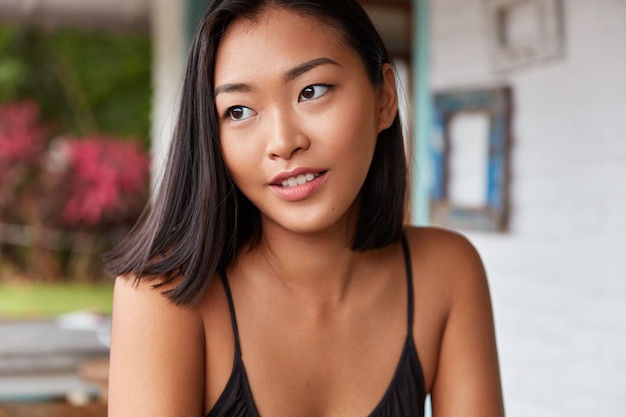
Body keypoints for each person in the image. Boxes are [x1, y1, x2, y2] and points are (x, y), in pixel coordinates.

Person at [104, 0, 505, 416]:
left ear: (384, 97)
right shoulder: (165, 298)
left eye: (311, 91)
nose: (283, 141)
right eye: (239, 111)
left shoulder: (446, 273)